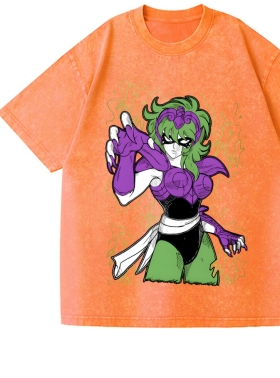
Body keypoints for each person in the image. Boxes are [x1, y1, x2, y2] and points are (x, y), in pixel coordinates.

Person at [105, 95, 247, 285]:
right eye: (168, 139)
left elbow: (194, 214)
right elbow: (124, 196)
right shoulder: (155, 171)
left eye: (183, 141)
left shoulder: (196, 168)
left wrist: (221, 232)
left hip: (201, 241)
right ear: (159, 136)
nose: (174, 147)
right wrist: (127, 155)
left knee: (206, 291)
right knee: (159, 290)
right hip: (168, 244)